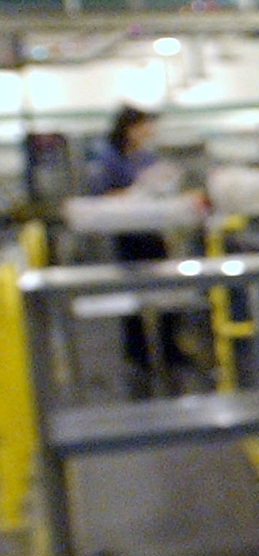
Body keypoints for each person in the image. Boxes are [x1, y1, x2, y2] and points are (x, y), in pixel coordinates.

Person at [87, 104, 192, 398]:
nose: (150, 132)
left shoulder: (147, 158)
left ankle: (170, 349)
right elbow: (102, 196)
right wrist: (137, 191)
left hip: (152, 232)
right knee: (133, 297)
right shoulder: (110, 159)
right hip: (128, 236)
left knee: (168, 293)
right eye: (145, 126)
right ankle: (138, 355)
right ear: (130, 128)